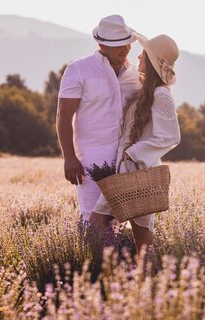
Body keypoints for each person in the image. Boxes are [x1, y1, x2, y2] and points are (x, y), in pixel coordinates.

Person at [89, 33, 181, 255]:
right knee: (129, 230)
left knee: (121, 227)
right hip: (128, 170)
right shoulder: (145, 92)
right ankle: (121, 274)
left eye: (144, 53)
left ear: (151, 61)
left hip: (138, 170)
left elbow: (170, 136)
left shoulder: (161, 95)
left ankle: (130, 275)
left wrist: (133, 153)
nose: (139, 56)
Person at [57, 15, 143, 221]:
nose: (126, 49)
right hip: (91, 159)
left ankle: (119, 254)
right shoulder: (78, 69)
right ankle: (93, 254)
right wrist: (69, 157)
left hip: (127, 159)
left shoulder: (136, 75)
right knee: (92, 218)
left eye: (128, 44)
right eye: (119, 45)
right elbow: (63, 116)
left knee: (123, 218)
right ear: (101, 44)